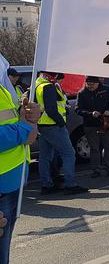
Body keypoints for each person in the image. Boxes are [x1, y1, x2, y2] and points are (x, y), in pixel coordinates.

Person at [1, 84, 40, 264]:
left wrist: (31, 117)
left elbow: (26, 131)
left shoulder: (3, 85)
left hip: (13, 182)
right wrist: (24, 128)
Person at [36, 72, 88, 195]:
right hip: (53, 125)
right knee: (69, 154)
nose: (60, 82)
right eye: (59, 79)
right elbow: (51, 110)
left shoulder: (38, 84)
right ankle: (70, 184)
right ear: (54, 77)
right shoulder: (48, 86)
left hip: (43, 125)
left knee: (45, 156)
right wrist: (61, 123)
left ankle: (46, 185)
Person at [76, 76, 109, 178]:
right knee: (94, 148)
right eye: (88, 84)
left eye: (92, 84)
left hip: (105, 123)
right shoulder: (82, 93)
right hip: (90, 125)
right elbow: (78, 109)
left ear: (98, 83)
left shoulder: (106, 89)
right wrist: (90, 113)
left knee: (108, 146)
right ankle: (96, 169)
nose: (90, 86)